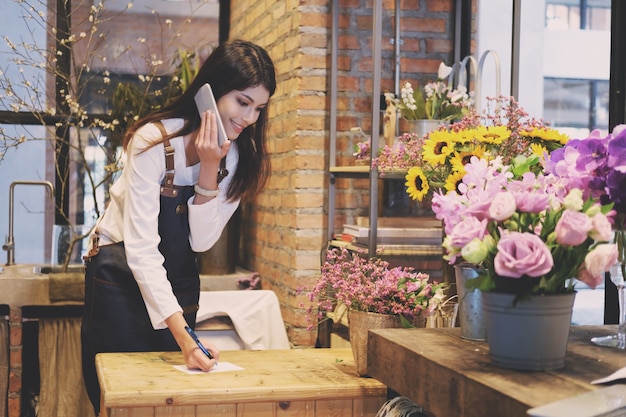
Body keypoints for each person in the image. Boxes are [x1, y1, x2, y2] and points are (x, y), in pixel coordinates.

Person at [81, 39, 276, 414]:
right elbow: (140, 249)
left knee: (173, 401)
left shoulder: (236, 157)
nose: (249, 118)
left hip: (177, 280)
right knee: (119, 396)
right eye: (242, 101)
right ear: (211, 91)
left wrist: (208, 168)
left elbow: (201, 242)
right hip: (120, 276)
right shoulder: (153, 141)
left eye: (259, 108)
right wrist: (185, 338)